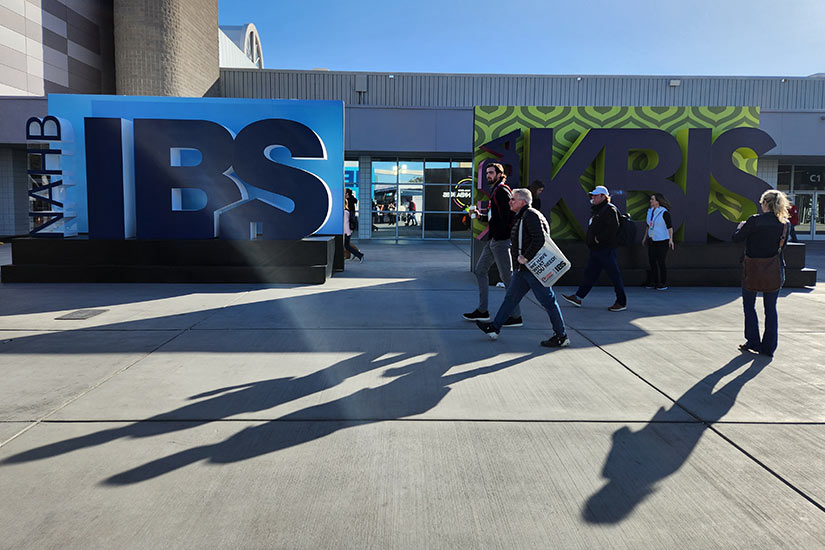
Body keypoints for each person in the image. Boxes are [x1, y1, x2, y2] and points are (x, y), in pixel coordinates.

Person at [476, 189, 570, 347]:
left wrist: (526, 257)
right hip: (524, 270)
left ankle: (561, 335)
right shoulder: (523, 216)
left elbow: (539, 238)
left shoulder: (530, 215)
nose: (510, 201)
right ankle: (494, 327)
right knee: (511, 298)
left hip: (533, 270)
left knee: (548, 301)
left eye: (513, 199)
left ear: (523, 202)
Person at [732, 189, 791, 357]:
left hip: (752, 270)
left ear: (765, 203)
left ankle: (753, 341)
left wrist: (740, 227)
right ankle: (769, 348)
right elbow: (782, 247)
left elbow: (736, 238)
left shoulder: (754, 221)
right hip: (775, 270)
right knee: (770, 309)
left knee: (749, 306)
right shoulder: (785, 224)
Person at [462, 162, 521, 326]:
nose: (488, 175)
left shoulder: (501, 191)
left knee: (507, 277)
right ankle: (482, 311)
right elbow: (494, 218)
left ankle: (516, 316)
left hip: (500, 241)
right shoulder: (495, 191)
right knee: (480, 270)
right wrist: (480, 215)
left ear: (499, 174)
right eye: (487, 173)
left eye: (491, 173)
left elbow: (508, 217)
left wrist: (500, 236)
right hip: (494, 240)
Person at [562, 185, 627, 312]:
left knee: (614, 275)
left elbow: (613, 228)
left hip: (606, 249)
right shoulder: (598, 209)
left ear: (604, 196)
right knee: (590, 274)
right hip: (597, 249)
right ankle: (578, 297)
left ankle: (621, 302)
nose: (593, 197)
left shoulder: (609, 209)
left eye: (596, 195)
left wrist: (599, 238)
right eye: (593, 195)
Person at [641, 192, 674, 290]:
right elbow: (648, 225)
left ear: (658, 201)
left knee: (661, 262)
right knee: (652, 261)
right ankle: (654, 282)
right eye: (651, 199)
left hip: (662, 240)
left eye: (652, 199)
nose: (650, 201)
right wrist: (645, 237)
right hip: (652, 239)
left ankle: (662, 283)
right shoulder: (650, 211)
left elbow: (670, 227)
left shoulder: (664, 212)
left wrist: (671, 240)